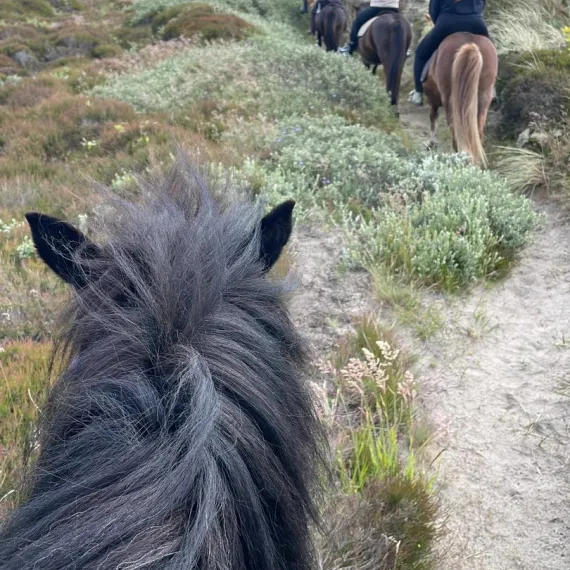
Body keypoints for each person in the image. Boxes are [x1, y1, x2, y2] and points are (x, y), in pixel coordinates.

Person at [409, 0, 489, 106]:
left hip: (447, 23)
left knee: (420, 53)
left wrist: (438, 23)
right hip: (476, 23)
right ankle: (491, 87)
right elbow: (482, 4)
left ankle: (418, 92)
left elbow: (434, 9)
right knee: (491, 50)